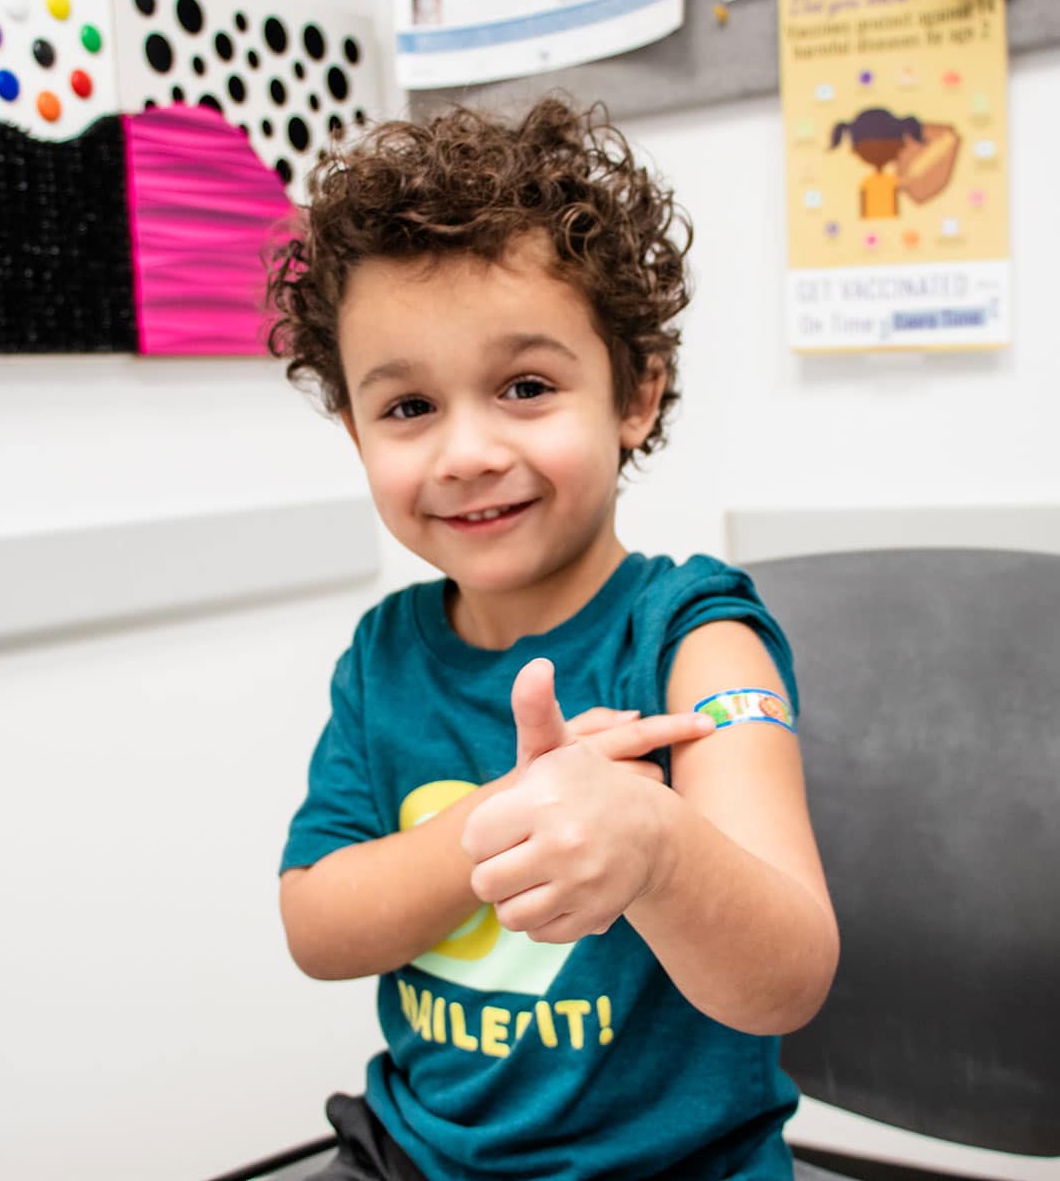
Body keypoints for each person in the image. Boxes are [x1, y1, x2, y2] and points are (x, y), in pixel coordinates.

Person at [264, 99, 840, 1180]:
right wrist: (497, 819)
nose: (468, 449)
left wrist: (657, 847)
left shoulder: (698, 639)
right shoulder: (382, 655)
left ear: (637, 392)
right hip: (416, 1157)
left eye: (526, 387)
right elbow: (316, 922)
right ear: (354, 427)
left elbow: (791, 973)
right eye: (407, 407)